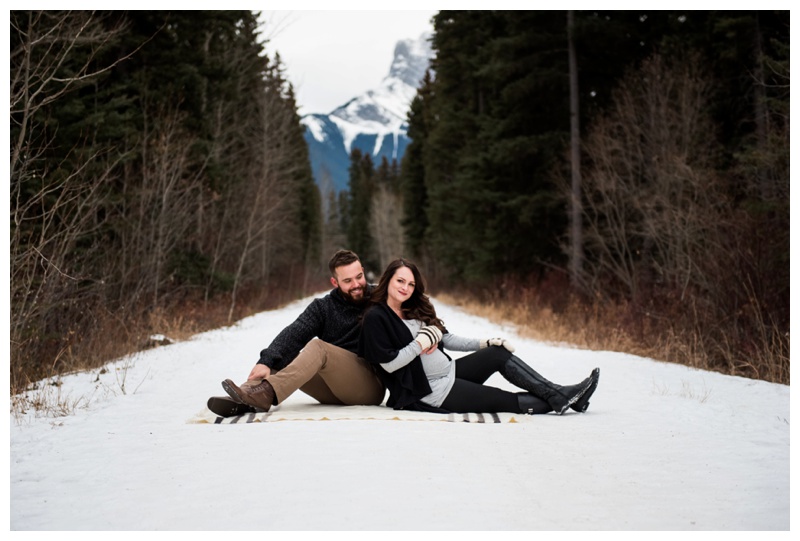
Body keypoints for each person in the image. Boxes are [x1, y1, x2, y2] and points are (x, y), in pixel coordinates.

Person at [358, 258, 599, 415]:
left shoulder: (415, 307)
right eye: (400, 281)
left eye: (411, 284)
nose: (405, 288)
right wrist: (421, 342)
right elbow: (390, 365)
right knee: (501, 400)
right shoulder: (376, 317)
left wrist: (484, 343)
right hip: (428, 391)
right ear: (388, 279)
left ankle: (560, 395)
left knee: (496, 354)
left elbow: (447, 339)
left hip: (449, 371)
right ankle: (563, 399)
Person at [208, 250, 386, 417]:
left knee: (319, 348)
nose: (356, 285)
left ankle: (266, 394)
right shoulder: (323, 307)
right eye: (348, 281)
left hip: (369, 387)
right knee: (280, 357)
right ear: (335, 282)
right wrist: (265, 361)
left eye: (359, 277)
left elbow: (411, 313)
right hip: (334, 390)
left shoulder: (380, 296)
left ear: (363, 271)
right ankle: (244, 396)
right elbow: (294, 333)